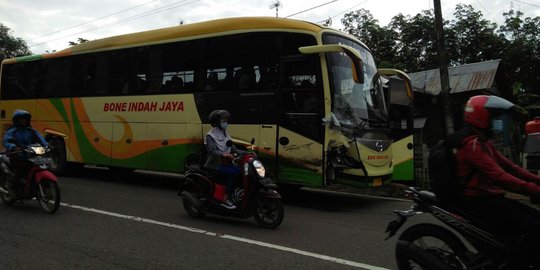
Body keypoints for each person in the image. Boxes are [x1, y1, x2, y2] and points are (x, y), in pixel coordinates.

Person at [455, 95, 540, 260]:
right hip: (478, 201)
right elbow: (502, 178)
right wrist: (535, 190)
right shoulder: (472, 146)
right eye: (492, 117)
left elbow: (512, 168)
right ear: (480, 117)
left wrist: (537, 182)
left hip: (491, 197)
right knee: (535, 227)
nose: (495, 122)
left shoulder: (483, 143)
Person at [203, 110, 244, 210]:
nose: (226, 122)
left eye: (226, 120)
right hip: (215, 165)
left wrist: (247, 153)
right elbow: (212, 151)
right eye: (224, 120)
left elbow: (233, 148)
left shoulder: (225, 133)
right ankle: (226, 199)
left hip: (225, 163)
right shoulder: (210, 136)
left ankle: (236, 194)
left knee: (242, 171)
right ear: (217, 122)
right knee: (234, 173)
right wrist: (225, 155)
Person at [2, 109, 49, 187]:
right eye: (22, 118)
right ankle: (14, 187)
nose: (24, 120)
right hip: (17, 155)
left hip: (30, 154)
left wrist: (47, 145)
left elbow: (41, 138)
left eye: (25, 118)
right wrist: (14, 147)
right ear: (17, 120)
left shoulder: (31, 131)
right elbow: (6, 141)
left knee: (44, 163)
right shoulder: (12, 131)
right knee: (21, 168)